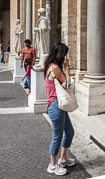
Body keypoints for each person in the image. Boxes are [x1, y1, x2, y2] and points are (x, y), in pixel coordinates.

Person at [43, 43, 77, 175]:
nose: (66, 57)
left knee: (69, 132)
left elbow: (64, 84)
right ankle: (52, 165)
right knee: (57, 136)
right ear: (60, 54)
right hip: (55, 106)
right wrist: (67, 67)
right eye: (65, 54)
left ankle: (62, 159)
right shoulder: (55, 67)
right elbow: (68, 83)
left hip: (59, 106)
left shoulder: (52, 66)